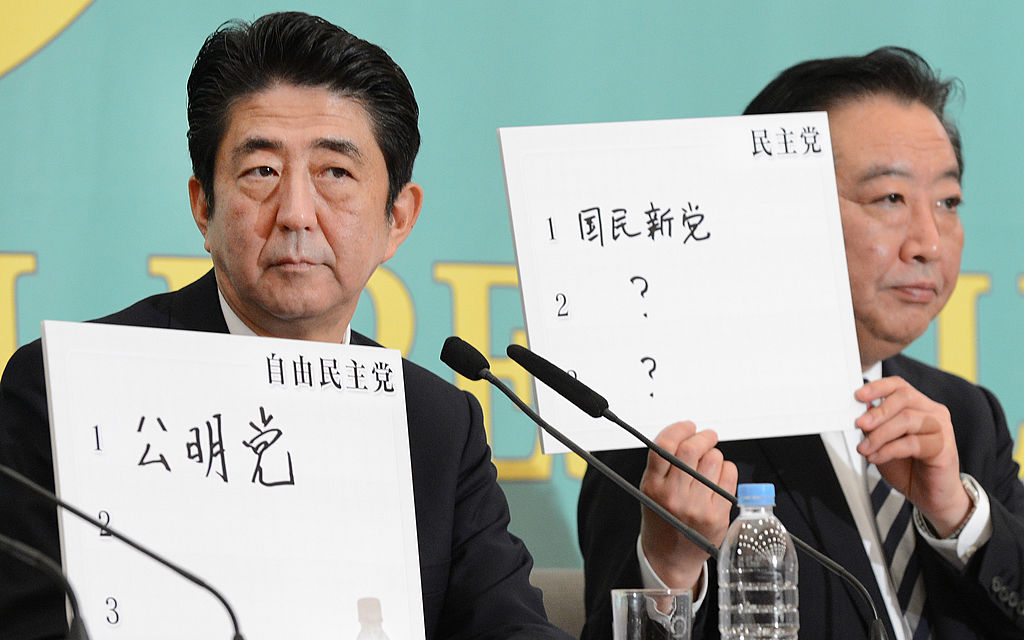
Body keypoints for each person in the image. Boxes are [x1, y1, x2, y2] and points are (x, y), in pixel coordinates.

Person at [0, 12, 570, 640]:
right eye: (262, 171)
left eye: (335, 173)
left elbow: (512, 628)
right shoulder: (67, 390)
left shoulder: (435, 424)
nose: (296, 213)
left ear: (397, 219)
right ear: (203, 206)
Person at [578, 47, 1024, 639]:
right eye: (890, 198)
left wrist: (960, 520)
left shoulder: (966, 418)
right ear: (770, 213)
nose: (929, 243)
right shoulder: (671, 436)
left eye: (947, 202)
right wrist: (669, 572)